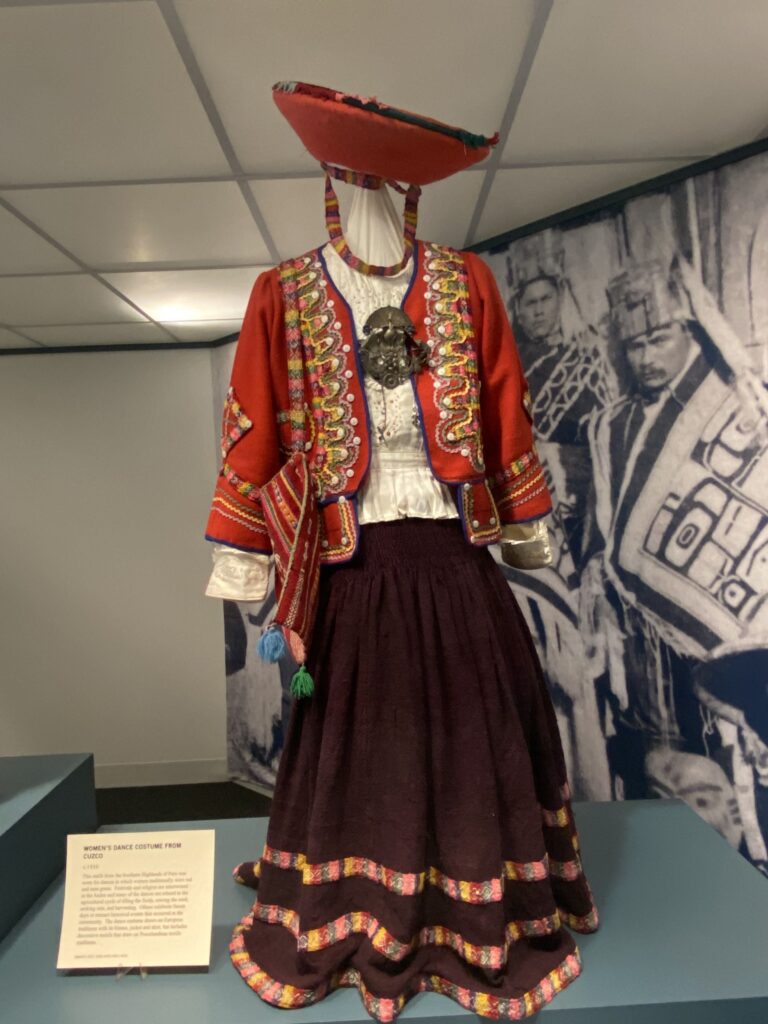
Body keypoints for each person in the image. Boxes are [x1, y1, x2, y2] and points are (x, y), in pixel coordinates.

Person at [204, 81, 597, 1023]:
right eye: (353, 175)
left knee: (474, 734)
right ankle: (357, 904)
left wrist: (526, 518)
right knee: (357, 744)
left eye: (391, 180)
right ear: (330, 183)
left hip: (458, 563)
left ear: (416, 193)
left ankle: (475, 914)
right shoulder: (283, 291)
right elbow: (252, 423)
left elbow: (505, 404)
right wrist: (245, 552)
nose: (373, 194)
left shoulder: (467, 283)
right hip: (348, 573)